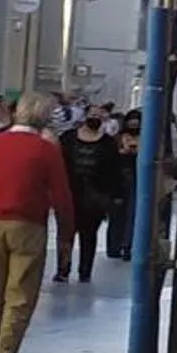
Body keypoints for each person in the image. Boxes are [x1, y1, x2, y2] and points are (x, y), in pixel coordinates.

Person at [0, 94, 75, 353]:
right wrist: (66, 234)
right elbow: (61, 195)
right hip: (28, 224)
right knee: (20, 294)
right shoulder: (46, 150)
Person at [56, 107, 124, 285]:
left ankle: (85, 271)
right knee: (65, 234)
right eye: (92, 114)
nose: (95, 118)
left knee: (89, 235)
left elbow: (115, 171)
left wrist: (114, 196)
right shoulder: (68, 138)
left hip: (96, 197)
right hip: (69, 194)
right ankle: (63, 269)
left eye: (99, 116)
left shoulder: (108, 143)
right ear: (85, 116)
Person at [106, 108, 141, 264]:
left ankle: (128, 245)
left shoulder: (146, 138)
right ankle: (114, 246)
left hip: (137, 179)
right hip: (119, 180)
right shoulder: (117, 139)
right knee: (117, 216)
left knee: (132, 214)